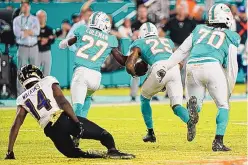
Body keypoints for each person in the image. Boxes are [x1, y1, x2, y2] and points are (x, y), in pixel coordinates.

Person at [5, 64, 135, 160]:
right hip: (63, 119)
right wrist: (76, 122)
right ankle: (112, 151)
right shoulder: (48, 80)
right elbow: (62, 101)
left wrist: (9, 151)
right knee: (105, 135)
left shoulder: (22, 98)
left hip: (51, 131)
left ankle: (98, 157)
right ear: (36, 74)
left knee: (73, 153)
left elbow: (15, 126)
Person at [164, 4, 240, 151]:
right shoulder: (231, 36)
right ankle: (218, 142)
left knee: (196, 107)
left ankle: (191, 116)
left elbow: (182, 50)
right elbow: (232, 67)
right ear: (226, 18)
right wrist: (229, 90)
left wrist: (166, 66)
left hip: (192, 67)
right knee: (223, 105)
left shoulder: (199, 29)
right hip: (212, 66)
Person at [59, 12, 127, 147]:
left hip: (81, 73)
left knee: (76, 108)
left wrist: (64, 43)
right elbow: (121, 59)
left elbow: (69, 42)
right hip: (96, 77)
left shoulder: (82, 29)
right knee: (87, 99)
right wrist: (131, 60)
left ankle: (76, 137)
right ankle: (81, 127)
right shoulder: (110, 38)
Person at [125, 22, 198, 143]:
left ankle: (150, 132)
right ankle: (189, 119)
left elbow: (129, 64)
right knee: (176, 106)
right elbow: (180, 62)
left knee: (144, 97)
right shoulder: (166, 41)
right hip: (174, 68)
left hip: (158, 68)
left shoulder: (139, 43)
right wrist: (167, 78)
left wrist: (134, 73)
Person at [13, 0, 40, 95]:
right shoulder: (17, 20)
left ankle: (35, 93)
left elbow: (37, 32)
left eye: (26, 5)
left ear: (29, 7)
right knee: (21, 71)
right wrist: (30, 32)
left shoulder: (35, 19)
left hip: (33, 47)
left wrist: (24, 31)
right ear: (21, 7)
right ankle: (20, 95)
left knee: (35, 71)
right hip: (22, 47)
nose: (25, 7)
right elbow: (17, 33)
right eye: (23, 5)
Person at [36, 10, 55, 76]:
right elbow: (34, 39)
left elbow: (52, 40)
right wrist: (43, 39)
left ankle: (45, 86)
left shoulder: (49, 29)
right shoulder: (34, 29)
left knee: (46, 73)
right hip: (36, 52)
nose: (41, 18)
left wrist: (46, 40)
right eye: (39, 17)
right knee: (35, 73)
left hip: (46, 52)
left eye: (43, 16)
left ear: (45, 17)